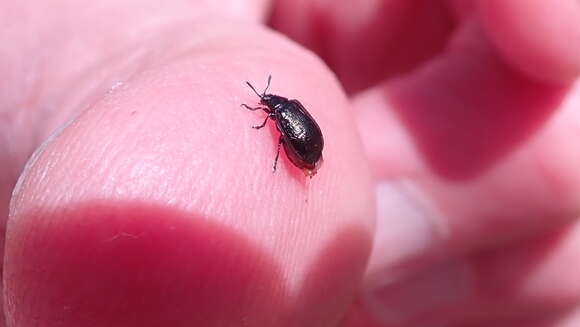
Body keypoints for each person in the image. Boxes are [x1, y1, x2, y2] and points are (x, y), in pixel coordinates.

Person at [2, 0, 580, 326]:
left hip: (314, 147)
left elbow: (295, 132)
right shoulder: (282, 110)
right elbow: (294, 130)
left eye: (267, 105)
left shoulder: (282, 112)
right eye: (267, 106)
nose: (265, 109)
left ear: (274, 105)